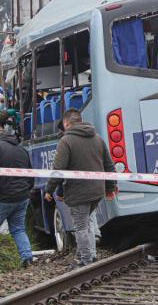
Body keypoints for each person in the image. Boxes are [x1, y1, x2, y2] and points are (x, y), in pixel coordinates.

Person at [45, 109, 116, 267]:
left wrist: (49, 189)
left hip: (79, 191)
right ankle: (90, 255)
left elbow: (58, 169)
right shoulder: (97, 138)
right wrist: (110, 188)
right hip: (97, 191)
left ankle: (85, 261)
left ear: (66, 123)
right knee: (87, 222)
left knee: (81, 226)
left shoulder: (66, 141)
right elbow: (109, 165)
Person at [0, 124, 34, 268]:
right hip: (22, 196)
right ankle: (27, 257)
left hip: (4, 197)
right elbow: (30, 175)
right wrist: (27, 190)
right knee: (18, 229)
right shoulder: (22, 149)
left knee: (18, 228)